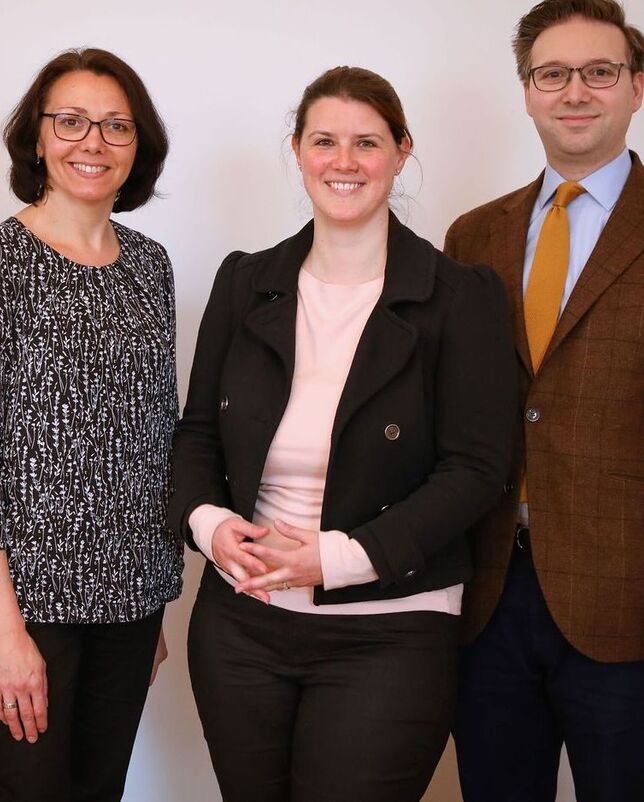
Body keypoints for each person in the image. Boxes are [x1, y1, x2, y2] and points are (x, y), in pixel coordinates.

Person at [170, 65, 517, 802]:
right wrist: (209, 525)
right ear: (297, 150)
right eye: (324, 141)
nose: (344, 161)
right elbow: (197, 434)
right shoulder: (245, 281)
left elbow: (477, 469)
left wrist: (340, 557)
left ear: (401, 151)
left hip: (390, 627)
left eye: (367, 142)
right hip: (241, 622)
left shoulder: (459, 295)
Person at [0, 47, 182, 802]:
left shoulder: (150, 265)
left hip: (132, 599)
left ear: (139, 147)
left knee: (99, 788)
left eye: (116, 126)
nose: (93, 143)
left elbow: (155, 436)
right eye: (71, 121)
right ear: (37, 138)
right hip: (26, 605)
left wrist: (153, 598)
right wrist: (4, 634)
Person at [443, 1, 644, 800]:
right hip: (486, 598)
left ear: (635, 86)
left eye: (599, 71)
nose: (575, 92)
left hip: (626, 601)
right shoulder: (472, 237)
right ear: (526, 92)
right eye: (552, 74)